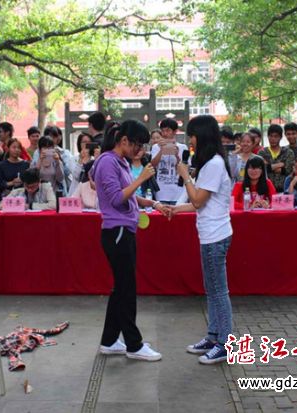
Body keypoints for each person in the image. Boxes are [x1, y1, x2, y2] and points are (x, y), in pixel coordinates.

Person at [90, 119, 168, 362]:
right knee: (126, 290)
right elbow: (116, 199)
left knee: (121, 288)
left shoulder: (120, 161)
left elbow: (130, 196)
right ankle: (134, 344)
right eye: (137, 145)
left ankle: (109, 340)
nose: (140, 150)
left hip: (125, 230)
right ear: (124, 140)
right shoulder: (107, 162)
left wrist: (153, 203)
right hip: (117, 232)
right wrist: (141, 179)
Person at [171, 115, 233, 365]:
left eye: (193, 135)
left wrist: (185, 175)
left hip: (215, 236)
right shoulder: (210, 164)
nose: (190, 141)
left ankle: (225, 344)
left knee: (219, 291)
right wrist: (174, 209)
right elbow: (200, 203)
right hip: (209, 234)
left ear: (203, 136)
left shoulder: (214, 164)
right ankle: (213, 336)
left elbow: (197, 200)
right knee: (212, 289)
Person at [150, 118, 188, 204]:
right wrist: (161, 150)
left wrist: (177, 155)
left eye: (167, 130)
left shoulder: (183, 147)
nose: (164, 134)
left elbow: (185, 170)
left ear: (175, 131)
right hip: (161, 193)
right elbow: (152, 165)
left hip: (178, 193)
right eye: (162, 131)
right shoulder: (156, 147)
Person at [259, 124, 294, 193]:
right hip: (266, 190)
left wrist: (269, 167)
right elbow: (261, 169)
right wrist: (279, 165)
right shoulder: (262, 152)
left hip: (284, 190)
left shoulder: (288, 152)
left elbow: (288, 170)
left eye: (276, 136)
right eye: (271, 136)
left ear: (280, 137)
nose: (273, 139)